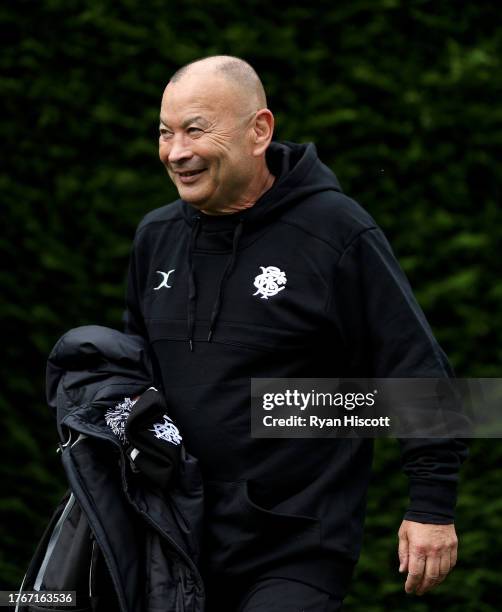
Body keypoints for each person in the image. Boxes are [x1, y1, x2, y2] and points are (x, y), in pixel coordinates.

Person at [124, 55, 468, 611]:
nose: (176, 152)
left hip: (297, 544)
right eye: (164, 132)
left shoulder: (336, 231)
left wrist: (432, 505)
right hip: (175, 537)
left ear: (259, 130)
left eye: (195, 129)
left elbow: (416, 369)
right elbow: (137, 374)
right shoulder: (154, 237)